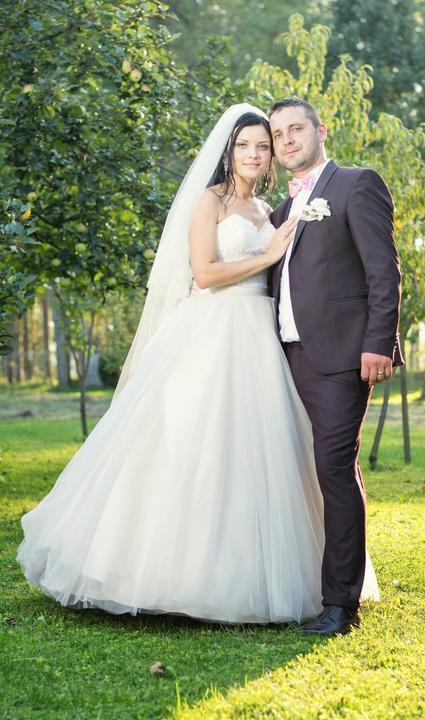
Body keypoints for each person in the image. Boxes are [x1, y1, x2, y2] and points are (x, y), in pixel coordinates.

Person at [17, 103, 379, 625]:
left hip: (262, 337)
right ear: (228, 151)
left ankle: (268, 576)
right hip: (213, 332)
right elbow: (204, 274)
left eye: (263, 145)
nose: (255, 153)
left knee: (262, 454)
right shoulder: (210, 200)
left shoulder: (271, 210)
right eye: (245, 145)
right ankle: (172, 573)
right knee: (195, 445)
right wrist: (267, 255)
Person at [268, 97, 403, 635]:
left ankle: (341, 604)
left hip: (341, 356)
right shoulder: (280, 210)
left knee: (333, 468)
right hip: (283, 356)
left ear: (320, 130)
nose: (286, 140)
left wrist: (379, 342)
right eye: (278, 134)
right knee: (301, 469)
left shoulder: (355, 184)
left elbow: (383, 271)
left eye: (295, 129)